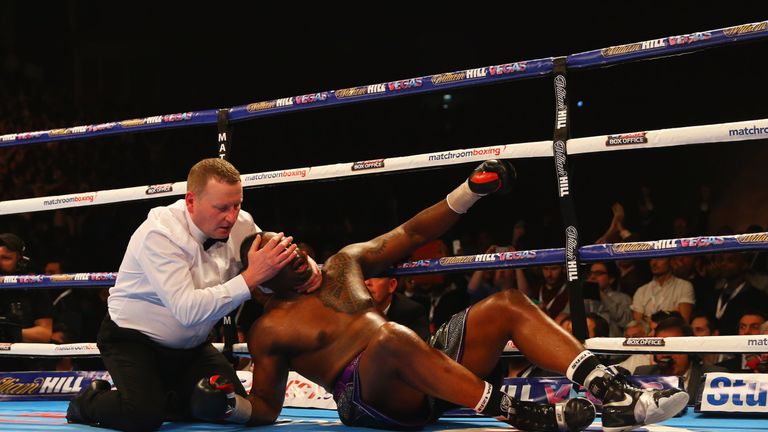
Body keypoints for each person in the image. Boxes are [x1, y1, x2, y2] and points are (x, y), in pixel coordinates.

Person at [187, 160, 689, 432]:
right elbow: (268, 407)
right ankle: (524, 415)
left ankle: (615, 394)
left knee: (506, 305)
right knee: (386, 340)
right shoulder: (269, 329)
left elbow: (408, 232)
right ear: (263, 278)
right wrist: (227, 407)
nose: (293, 254)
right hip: (374, 400)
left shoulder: (344, 264)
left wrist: (470, 190)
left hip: (426, 366)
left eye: (289, 244)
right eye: (277, 257)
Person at [66, 158, 322, 431]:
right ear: (191, 201)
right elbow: (187, 310)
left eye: (237, 205)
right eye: (221, 208)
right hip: (133, 339)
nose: (231, 216)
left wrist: (305, 268)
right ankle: (89, 401)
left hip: (192, 346)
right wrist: (250, 279)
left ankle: (167, 396)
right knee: (142, 417)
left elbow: (273, 260)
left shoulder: (242, 224)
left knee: (223, 404)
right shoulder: (160, 234)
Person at [633, 317, 727, 399]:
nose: (665, 355)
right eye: (661, 348)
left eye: (672, 348)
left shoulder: (713, 376)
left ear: (689, 350)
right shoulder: (643, 374)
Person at [0, 233, 54, 371]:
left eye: (6, 258)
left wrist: (10, 333)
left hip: (25, 364)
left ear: (19, 260)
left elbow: (44, 333)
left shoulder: (34, 286)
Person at [364, 276, 430, 341]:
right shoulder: (355, 310)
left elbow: (421, 349)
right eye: (364, 276)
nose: (366, 282)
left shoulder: (413, 312)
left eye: (375, 277)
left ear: (391, 285)